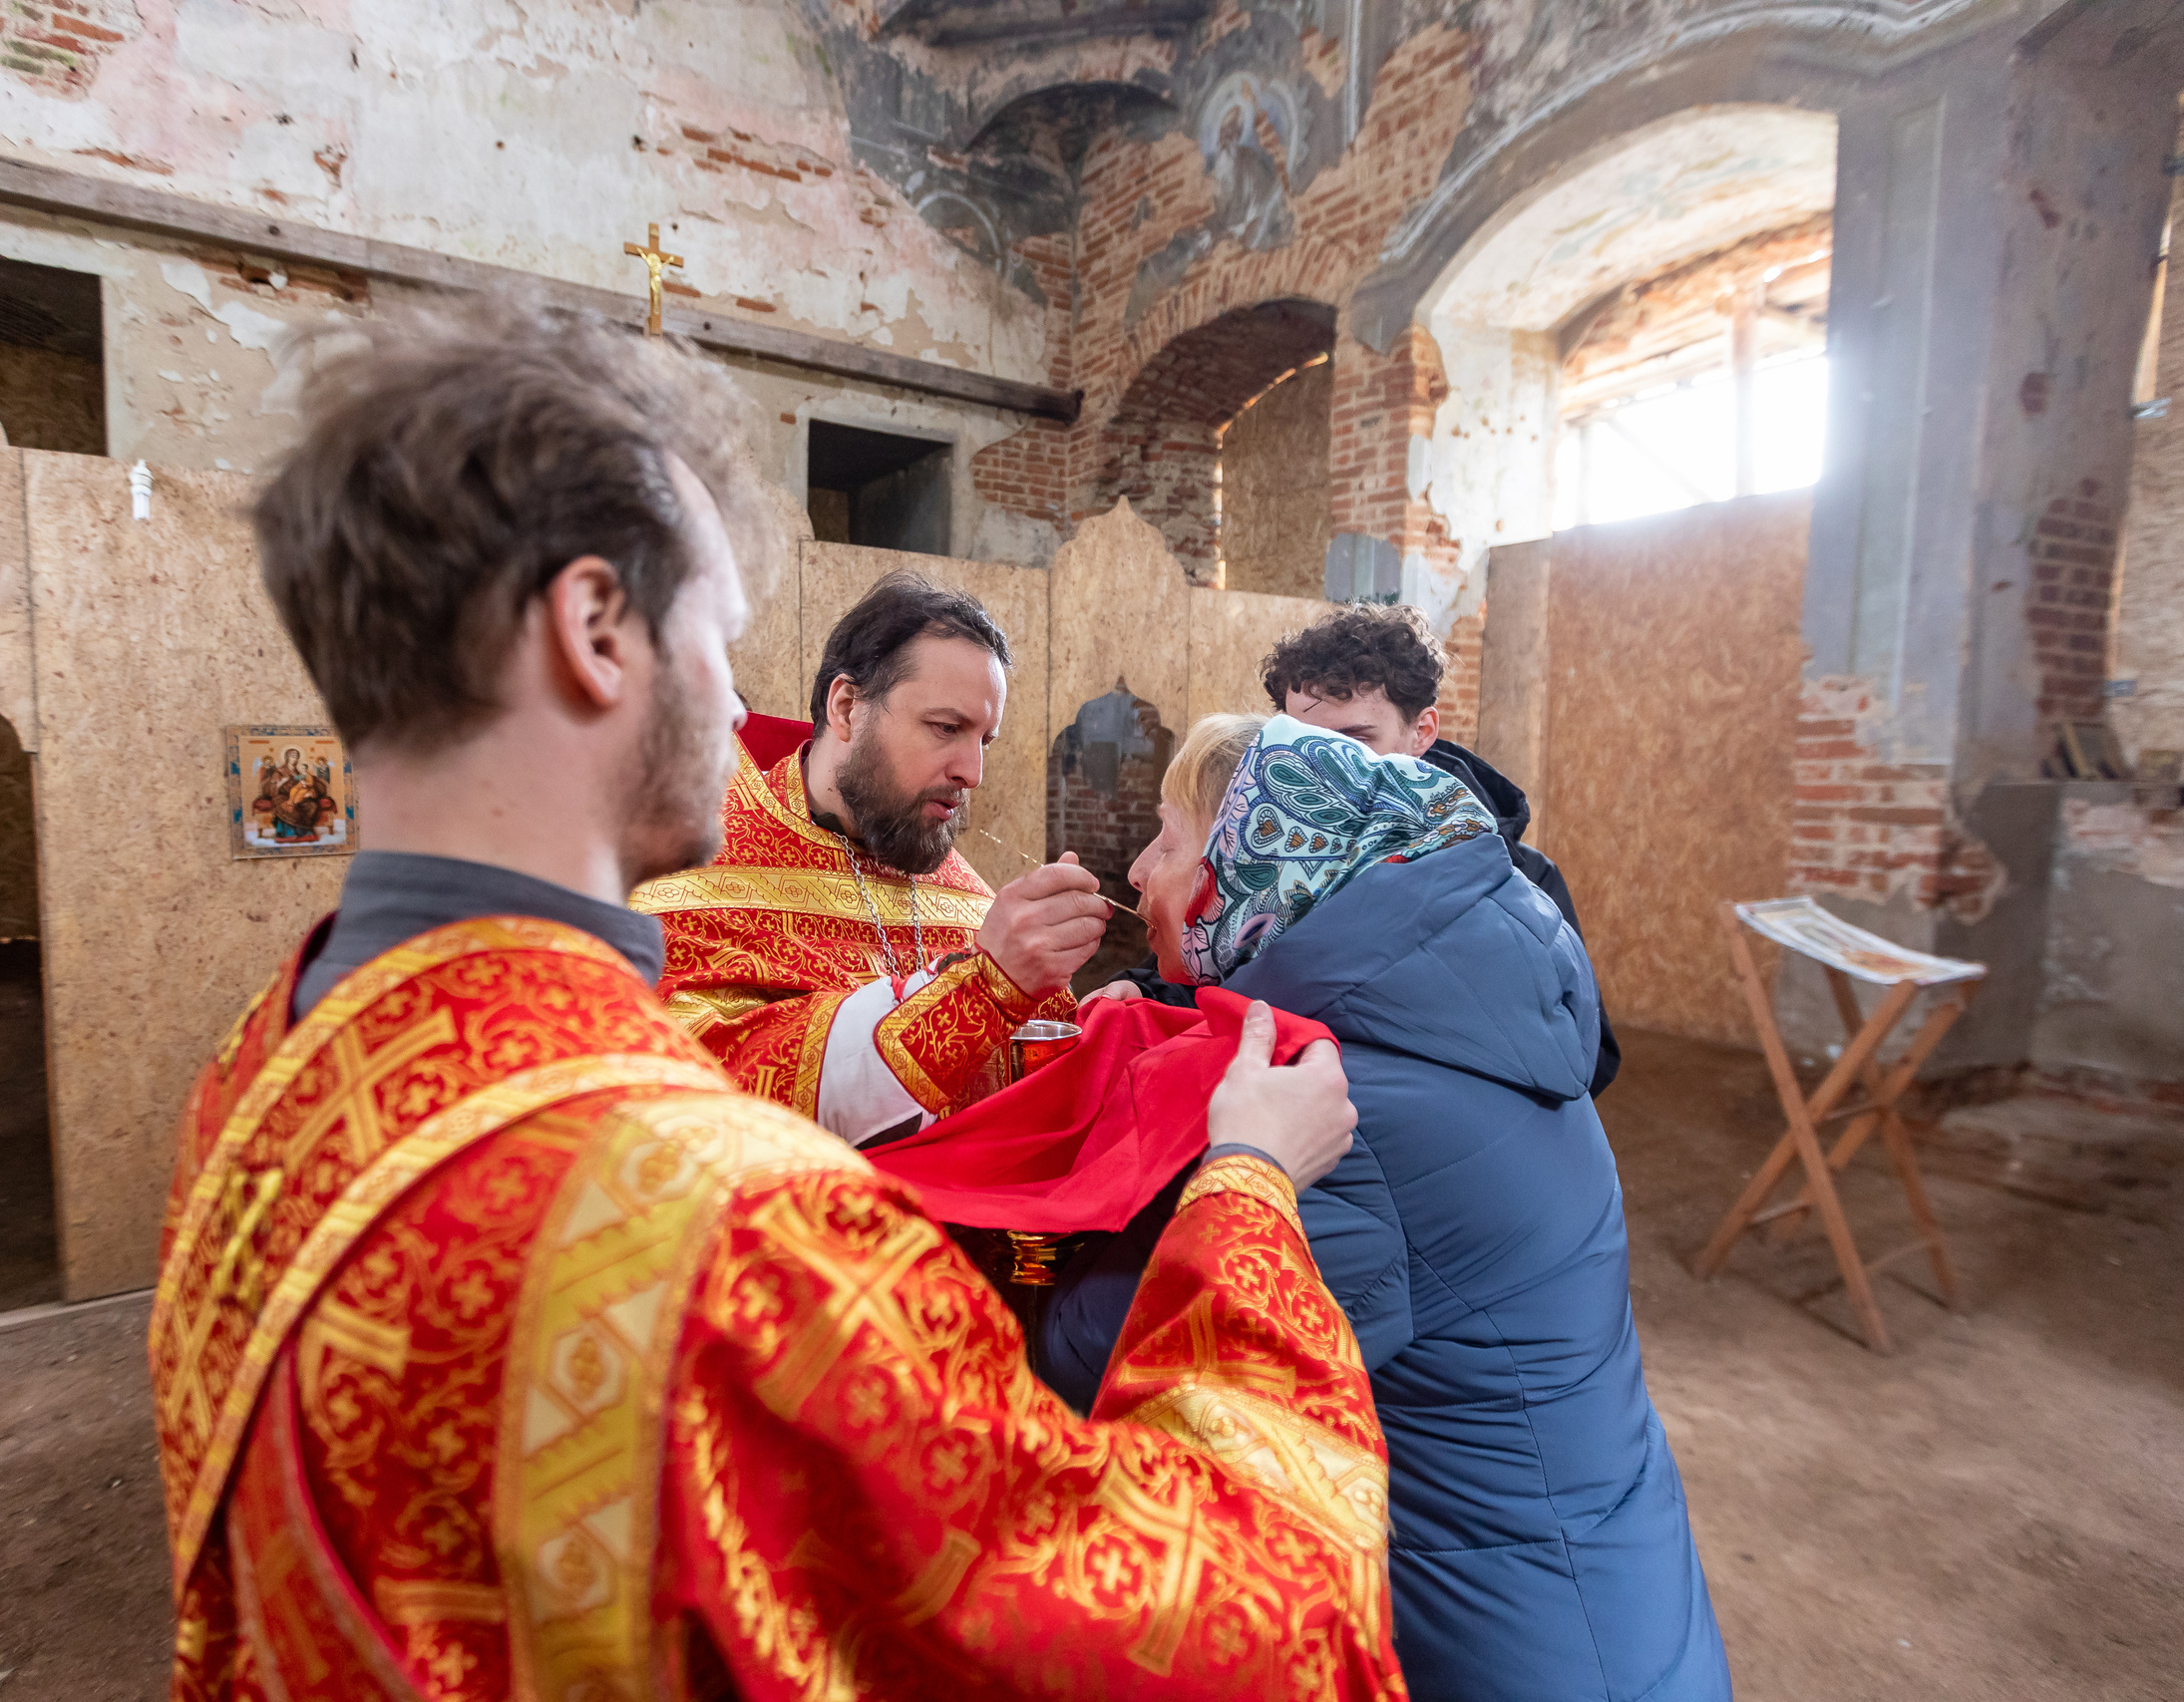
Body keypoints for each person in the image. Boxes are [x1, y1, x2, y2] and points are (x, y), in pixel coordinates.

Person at [150, 298, 1410, 1701]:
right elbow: (1246, 1623)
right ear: (595, 630)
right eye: (720, 635)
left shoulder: (266, 1058)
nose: (734, 701)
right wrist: (1248, 1183)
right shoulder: (734, 1228)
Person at [1071, 714, 1732, 1702]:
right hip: (1588, 1584)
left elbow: (1122, 1353)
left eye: (1169, 840)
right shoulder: (1465, 1015)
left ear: (1255, 867)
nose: (1134, 871)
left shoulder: (1345, 1113)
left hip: (1523, 1643)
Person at [635, 572, 1111, 1144]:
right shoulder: (692, 865)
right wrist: (982, 990)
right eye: (945, 727)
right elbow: (697, 1091)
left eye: (984, 740)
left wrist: (1100, 1029)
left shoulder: (967, 896)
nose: (972, 772)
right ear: (847, 707)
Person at [1103, 602, 1619, 1096]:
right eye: (1301, 742)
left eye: (1355, 742)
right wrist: (1147, 992)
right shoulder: (1258, 865)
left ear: (1422, 732)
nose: (1322, 768)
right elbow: (1205, 979)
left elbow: (1583, 1052)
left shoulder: (1515, 879)